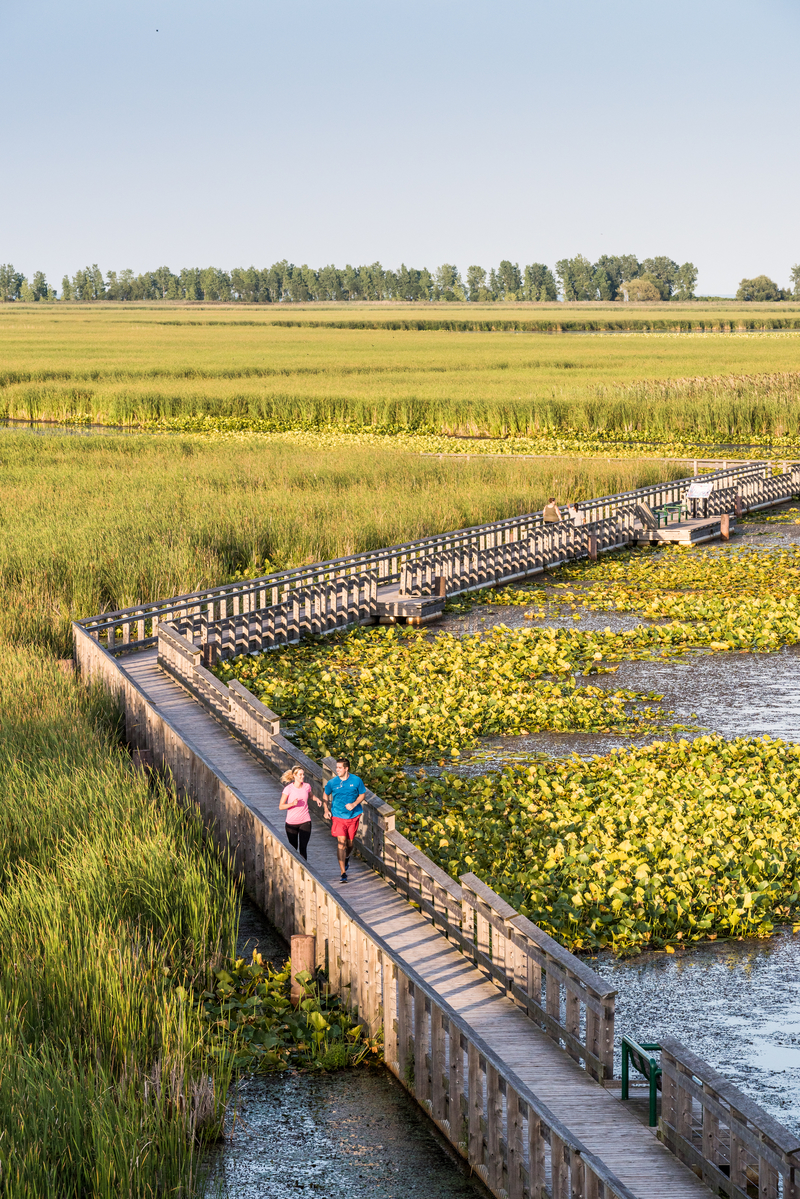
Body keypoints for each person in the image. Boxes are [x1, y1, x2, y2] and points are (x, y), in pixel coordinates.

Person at [323, 757, 366, 882]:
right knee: (341, 843)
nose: (337, 770)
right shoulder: (332, 782)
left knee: (350, 844)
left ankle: (347, 856)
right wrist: (326, 809)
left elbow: (362, 794)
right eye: (336, 767)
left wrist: (354, 804)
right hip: (338, 816)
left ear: (346, 769)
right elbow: (325, 793)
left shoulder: (356, 780)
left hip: (353, 816)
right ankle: (343, 873)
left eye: (340, 768)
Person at [279, 766, 313, 861]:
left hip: (305, 821)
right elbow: (281, 806)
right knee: (293, 848)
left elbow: (311, 796)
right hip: (291, 823)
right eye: (300, 774)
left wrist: (317, 799)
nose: (303, 776)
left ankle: (304, 871)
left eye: (303, 774)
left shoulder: (307, 786)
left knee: (303, 848)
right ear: (294, 776)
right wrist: (292, 804)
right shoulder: (288, 789)